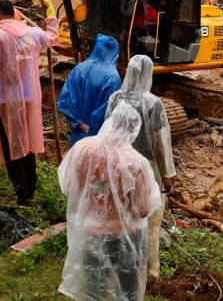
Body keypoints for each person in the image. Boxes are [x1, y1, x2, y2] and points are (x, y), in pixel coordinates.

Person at [58, 102, 161, 301]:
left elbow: (69, 189)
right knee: (126, 290)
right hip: (123, 238)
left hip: (89, 233)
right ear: (134, 130)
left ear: (110, 122)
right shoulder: (136, 163)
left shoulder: (82, 148)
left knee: (92, 288)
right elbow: (142, 209)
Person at [0, 0, 59, 204]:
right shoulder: (31, 33)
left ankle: (22, 194)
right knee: (27, 142)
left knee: (11, 146)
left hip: (4, 99)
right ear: (14, 14)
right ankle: (30, 188)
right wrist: (50, 14)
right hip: (28, 97)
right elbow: (52, 38)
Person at [107, 55, 176, 279]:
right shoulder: (152, 102)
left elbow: (107, 130)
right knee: (151, 218)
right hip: (146, 169)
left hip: (118, 163)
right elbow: (161, 140)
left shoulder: (115, 98)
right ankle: (150, 270)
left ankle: (121, 261)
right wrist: (168, 175)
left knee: (122, 213)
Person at [57, 35, 122, 147]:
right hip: (99, 139)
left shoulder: (79, 69)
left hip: (78, 135)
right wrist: (92, 129)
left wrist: (80, 124)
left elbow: (65, 100)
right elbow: (108, 110)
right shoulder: (113, 77)